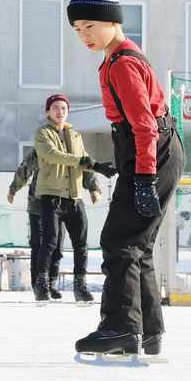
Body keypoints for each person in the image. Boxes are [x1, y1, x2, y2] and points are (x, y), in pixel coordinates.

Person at [69, 0, 186, 360]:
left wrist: (142, 179)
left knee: (118, 241)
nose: (85, 35)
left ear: (112, 21)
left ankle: (119, 328)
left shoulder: (123, 64)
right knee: (139, 245)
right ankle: (148, 330)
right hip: (154, 151)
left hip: (152, 150)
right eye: (78, 29)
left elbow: (143, 124)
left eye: (90, 26)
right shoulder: (117, 58)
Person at [32, 93, 116, 304]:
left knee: (81, 244)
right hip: (52, 196)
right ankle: (41, 283)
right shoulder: (43, 133)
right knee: (50, 243)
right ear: (48, 112)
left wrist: (94, 184)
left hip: (74, 197)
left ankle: (80, 284)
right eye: (56, 108)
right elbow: (54, 155)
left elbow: (84, 163)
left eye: (63, 108)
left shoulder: (76, 136)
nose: (60, 112)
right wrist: (90, 163)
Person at [8, 149, 105, 299]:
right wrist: (13, 189)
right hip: (38, 205)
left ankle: (50, 282)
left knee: (57, 245)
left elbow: (86, 169)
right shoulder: (41, 151)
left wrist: (94, 188)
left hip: (60, 205)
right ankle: (38, 284)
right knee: (40, 244)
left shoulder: (74, 149)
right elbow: (24, 169)